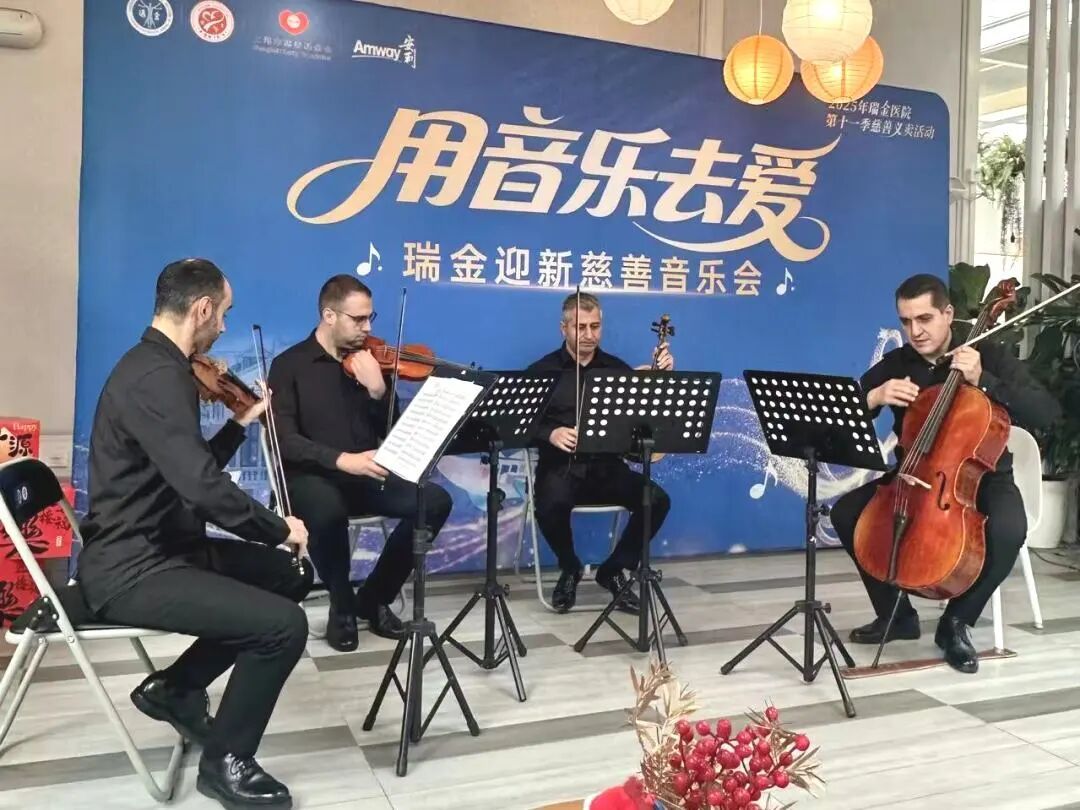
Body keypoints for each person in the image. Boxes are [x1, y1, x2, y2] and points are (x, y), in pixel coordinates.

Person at [77, 258, 312, 810]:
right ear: (202, 308)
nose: (223, 327)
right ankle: (226, 764)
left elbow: (186, 470)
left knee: (289, 577)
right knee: (283, 627)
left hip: (164, 545)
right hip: (132, 568)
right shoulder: (158, 378)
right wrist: (277, 527)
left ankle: (176, 689)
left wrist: (237, 425)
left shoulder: (160, 368)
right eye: (223, 313)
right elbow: (203, 489)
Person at [830, 273, 1062, 673]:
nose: (915, 331)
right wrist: (873, 397)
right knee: (847, 513)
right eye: (906, 321)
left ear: (948, 314)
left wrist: (983, 380)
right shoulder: (898, 364)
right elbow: (841, 416)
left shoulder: (987, 352)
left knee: (1009, 530)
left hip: (984, 476)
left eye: (924, 319)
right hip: (914, 475)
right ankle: (896, 615)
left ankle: (956, 622)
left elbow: (1046, 412)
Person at [268, 275, 453, 652]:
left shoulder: (372, 362)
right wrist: (342, 460)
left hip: (366, 475)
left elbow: (393, 432)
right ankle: (341, 604)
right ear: (329, 315)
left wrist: (379, 390)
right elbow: (284, 441)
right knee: (327, 510)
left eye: (370, 317)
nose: (367, 328)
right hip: (311, 477)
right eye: (358, 319)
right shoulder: (289, 365)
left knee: (435, 501)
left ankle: (373, 597)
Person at [526, 292, 674, 614]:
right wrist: (550, 433)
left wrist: (661, 376)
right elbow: (523, 425)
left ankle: (613, 570)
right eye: (580, 327)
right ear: (563, 328)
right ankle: (570, 567)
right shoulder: (542, 370)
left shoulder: (617, 370)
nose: (589, 335)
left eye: (595, 327)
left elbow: (647, 420)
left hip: (608, 469)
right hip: (560, 468)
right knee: (549, 504)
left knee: (657, 500)